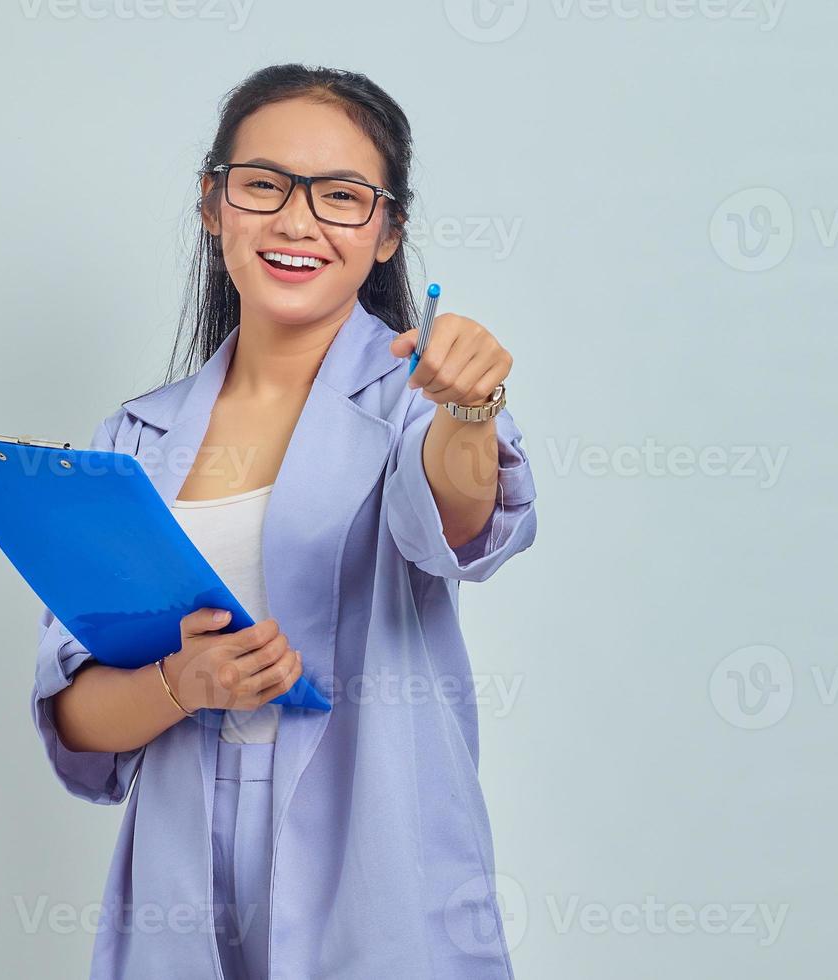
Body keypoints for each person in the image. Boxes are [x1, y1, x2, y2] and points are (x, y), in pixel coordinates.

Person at [32, 63, 539, 980]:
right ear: (213, 204)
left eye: (342, 196)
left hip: (372, 852)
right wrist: (181, 684)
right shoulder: (134, 440)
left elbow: (455, 522)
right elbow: (74, 712)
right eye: (263, 185)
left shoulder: (413, 404)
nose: (297, 222)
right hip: (186, 860)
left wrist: (472, 410)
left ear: (388, 233)